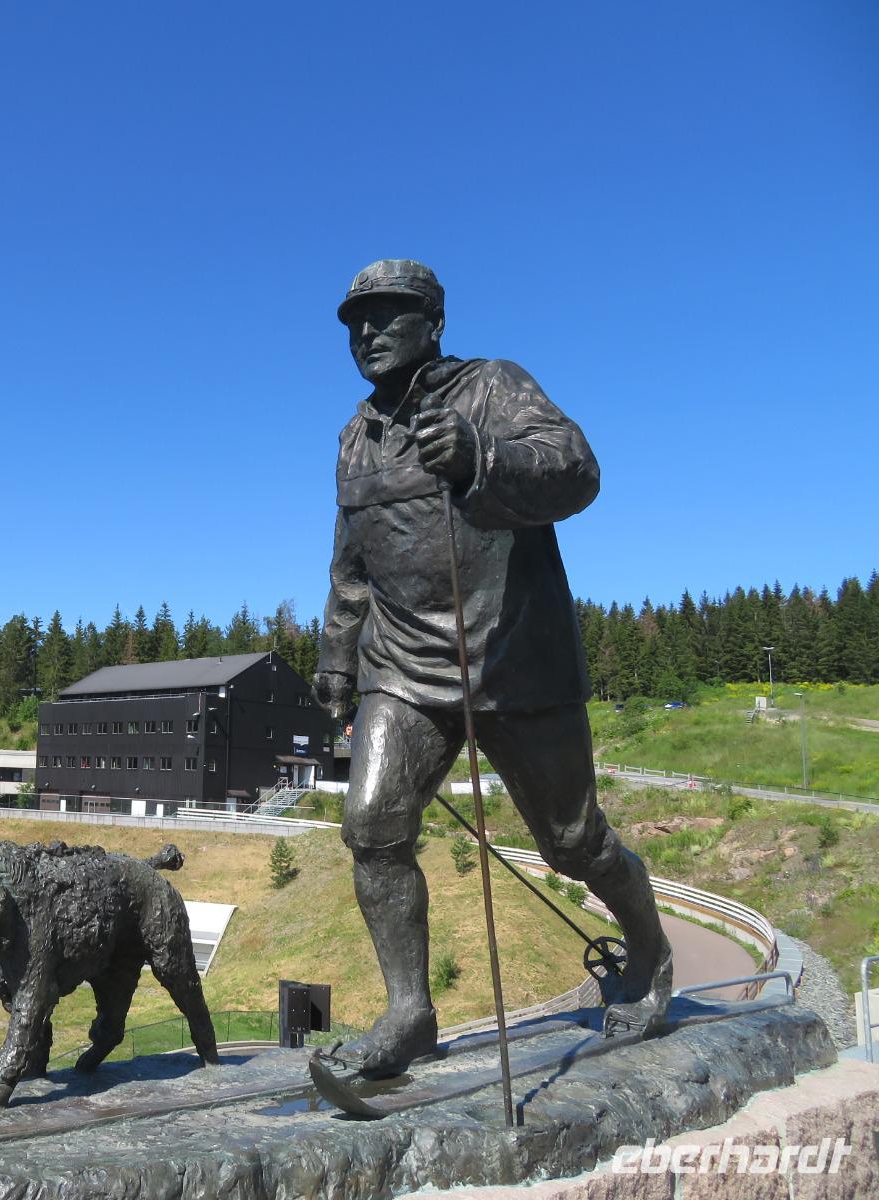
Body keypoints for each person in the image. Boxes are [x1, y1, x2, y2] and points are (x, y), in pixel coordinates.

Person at [314, 259, 671, 1078]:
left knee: (575, 842)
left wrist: (483, 455)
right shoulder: (353, 437)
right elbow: (351, 566)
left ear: (433, 322)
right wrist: (338, 657)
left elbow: (578, 468)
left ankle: (649, 955)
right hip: (403, 666)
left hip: (515, 661)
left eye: (387, 315)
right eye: (353, 321)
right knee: (371, 826)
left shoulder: (493, 387)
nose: (366, 333)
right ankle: (410, 1013)